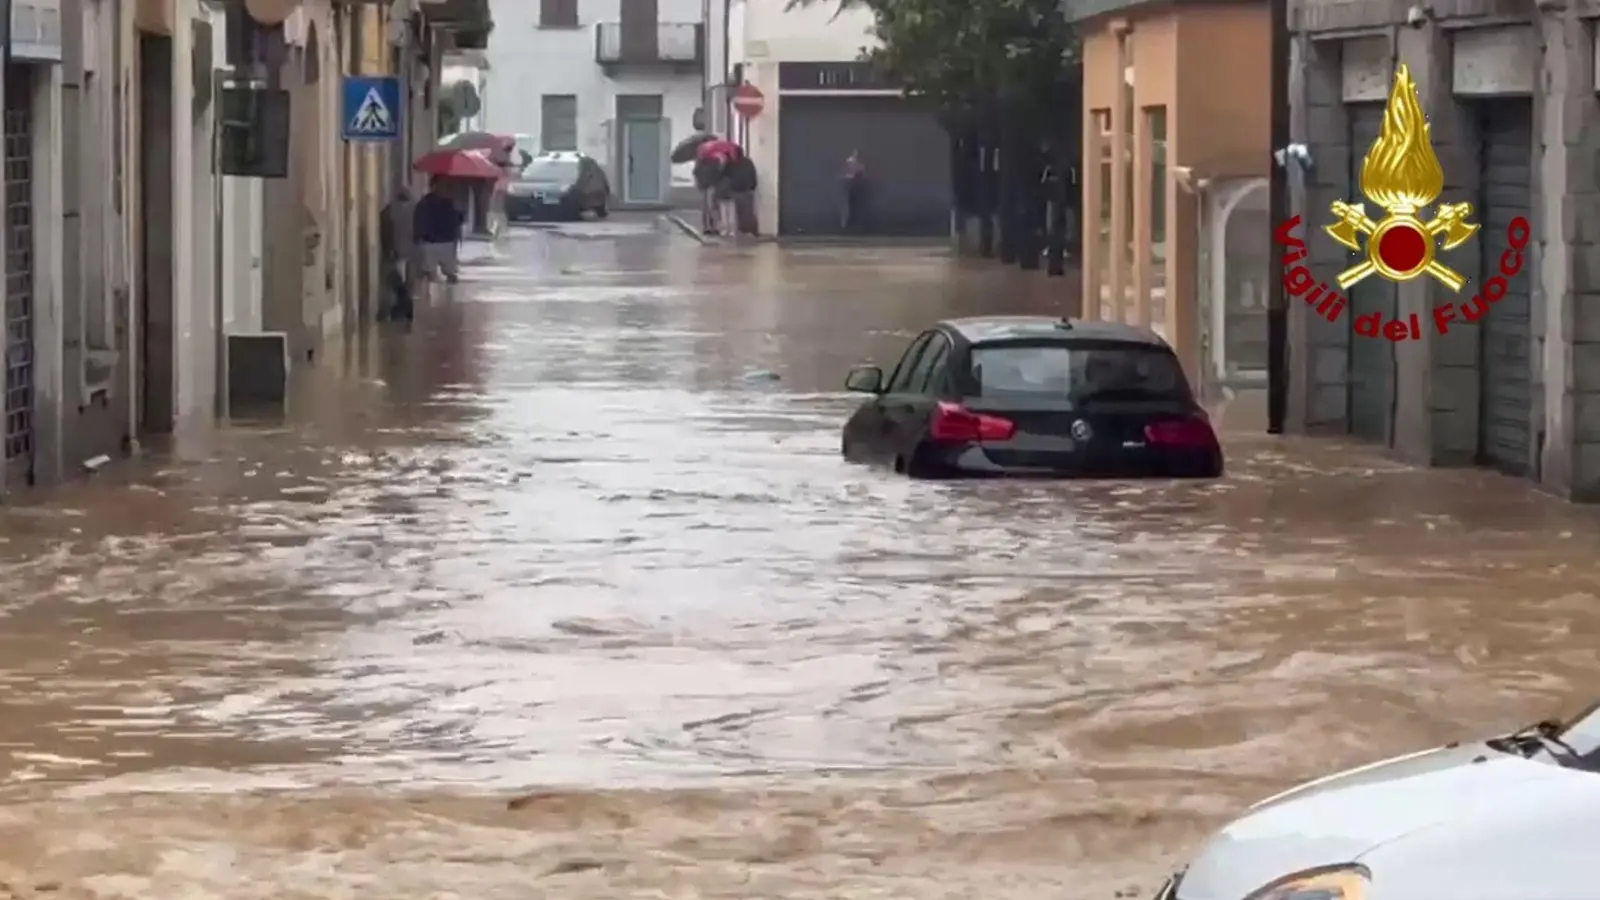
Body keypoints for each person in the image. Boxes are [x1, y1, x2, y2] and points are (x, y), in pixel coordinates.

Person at [413, 177, 465, 284]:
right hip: (430, 242)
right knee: (428, 273)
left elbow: (458, 221)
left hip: (446, 242)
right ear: (433, 187)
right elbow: (419, 221)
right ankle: (427, 297)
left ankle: (449, 297)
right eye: (441, 185)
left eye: (446, 186)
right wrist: (419, 237)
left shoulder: (451, 203)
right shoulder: (425, 203)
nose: (444, 188)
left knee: (450, 273)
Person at [378, 186, 415, 321]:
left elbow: (386, 230)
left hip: (394, 253)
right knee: (404, 284)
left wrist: (389, 249)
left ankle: (395, 310)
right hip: (409, 253)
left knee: (393, 282)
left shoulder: (389, 211)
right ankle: (403, 310)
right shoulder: (414, 210)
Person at [725, 147, 759, 237]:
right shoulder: (747, 162)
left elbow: (724, 174)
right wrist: (753, 186)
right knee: (748, 212)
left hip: (737, 190)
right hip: (746, 190)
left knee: (739, 212)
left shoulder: (731, 163)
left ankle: (744, 230)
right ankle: (750, 231)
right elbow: (753, 174)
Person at [841, 150, 868, 233]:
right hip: (852, 190)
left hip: (855, 190)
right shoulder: (858, 166)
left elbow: (861, 176)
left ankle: (852, 224)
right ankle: (849, 224)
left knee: (854, 207)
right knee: (851, 206)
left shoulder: (860, 167)